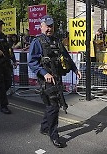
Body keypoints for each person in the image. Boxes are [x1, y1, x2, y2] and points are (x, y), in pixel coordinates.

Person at [28, 15, 81, 148]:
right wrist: (44, 73)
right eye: (47, 26)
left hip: (57, 77)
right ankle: (54, 135)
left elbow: (66, 57)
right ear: (41, 26)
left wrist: (75, 69)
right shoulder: (37, 42)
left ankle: (45, 127)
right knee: (54, 107)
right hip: (46, 80)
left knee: (51, 106)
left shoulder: (57, 41)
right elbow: (32, 62)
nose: (50, 28)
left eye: (52, 26)